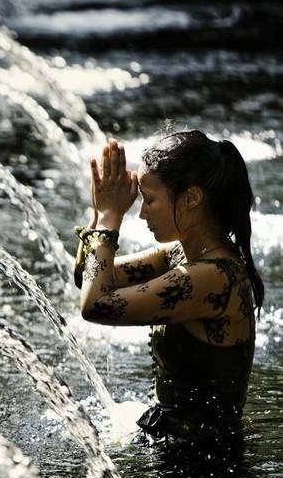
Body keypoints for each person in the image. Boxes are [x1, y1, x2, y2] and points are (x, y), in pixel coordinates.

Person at [73, 130, 264, 444]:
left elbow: (97, 304)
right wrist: (100, 214)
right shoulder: (179, 254)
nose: (142, 212)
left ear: (191, 198)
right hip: (174, 449)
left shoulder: (214, 277)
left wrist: (110, 218)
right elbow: (89, 276)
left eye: (149, 200)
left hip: (202, 465)